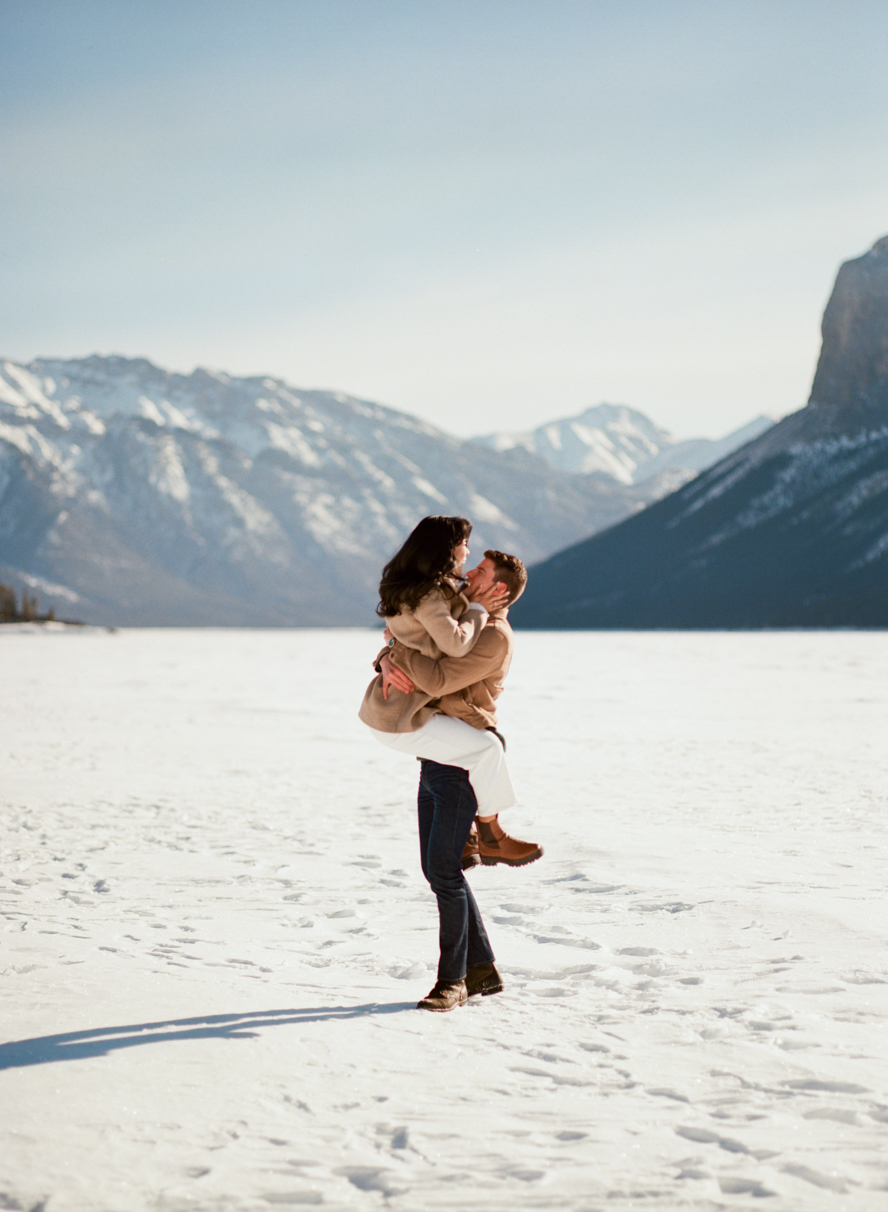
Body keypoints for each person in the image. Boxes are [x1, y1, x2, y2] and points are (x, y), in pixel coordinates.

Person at [360, 546, 541, 1011]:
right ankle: (481, 970)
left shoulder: (493, 635)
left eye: (479, 571)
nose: (466, 572)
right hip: (436, 752)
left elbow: (438, 679)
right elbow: (419, 638)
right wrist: (387, 657)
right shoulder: (465, 612)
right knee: (439, 869)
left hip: (460, 756)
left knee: (443, 872)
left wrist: (397, 658)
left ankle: (453, 981)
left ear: (498, 588)